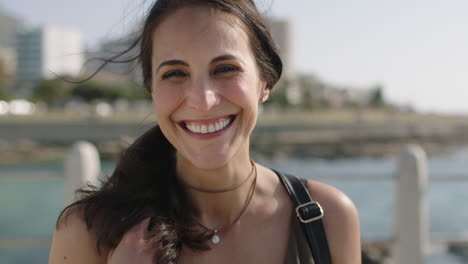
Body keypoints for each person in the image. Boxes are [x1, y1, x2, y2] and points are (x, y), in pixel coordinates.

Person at [49, 0, 361, 263]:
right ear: (152, 90)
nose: (203, 101)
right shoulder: (86, 234)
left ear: (264, 82)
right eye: (175, 73)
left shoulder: (328, 218)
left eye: (225, 69)